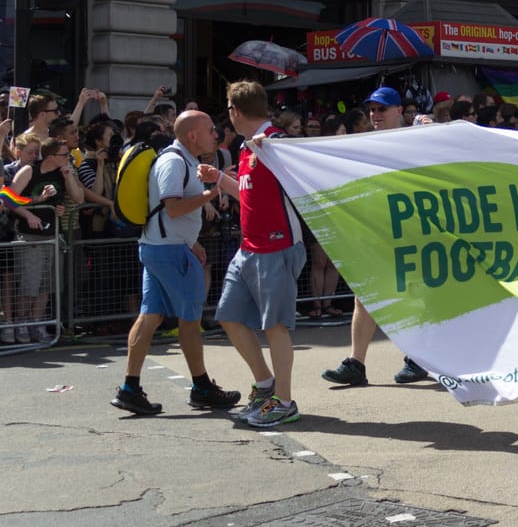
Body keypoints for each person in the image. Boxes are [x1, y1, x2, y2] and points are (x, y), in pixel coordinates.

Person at [110, 110, 241, 415]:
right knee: (190, 321)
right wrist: (213, 192)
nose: (215, 135)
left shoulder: (183, 159)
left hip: (163, 247)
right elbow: (172, 208)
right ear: (191, 135)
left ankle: (130, 388)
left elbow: (166, 212)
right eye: (210, 129)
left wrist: (191, 240)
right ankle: (201, 387)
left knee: (150, 317)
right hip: (170, 252)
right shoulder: (173, 161)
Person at [210, 81, 307, 427]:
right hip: (249, 247)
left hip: (278, 247)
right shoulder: (247, 148)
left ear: (235, 111)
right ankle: (266, 384)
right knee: (229, 316)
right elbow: (250, 196)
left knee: (275, 327)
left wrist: (277, 150)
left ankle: (284, 400)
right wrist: (221, 180)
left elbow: (304, 163)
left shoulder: (275, 142)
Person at [321, 88, 430, 386]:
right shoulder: (366, 142)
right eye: (371, 110)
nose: (375, 115)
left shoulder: (418, 136)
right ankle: (356, 363)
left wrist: (433, 130)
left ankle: (418, 358)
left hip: (413, 231)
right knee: (364, 293)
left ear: (399, 111)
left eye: (382, 109)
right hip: (378, 230)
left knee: (417, 296)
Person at [11, 137, 85, 342]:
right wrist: (31, 211)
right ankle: (22, 324)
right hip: (30, 235)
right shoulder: (29, 171)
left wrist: (69, 176)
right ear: (51, 156)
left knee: (47, 285)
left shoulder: (63, 173)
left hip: (53, 235)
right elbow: (8, 198)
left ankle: (38, 323)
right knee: (29, 284)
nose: (68, 157)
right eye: (64, 155)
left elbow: (79, 198)